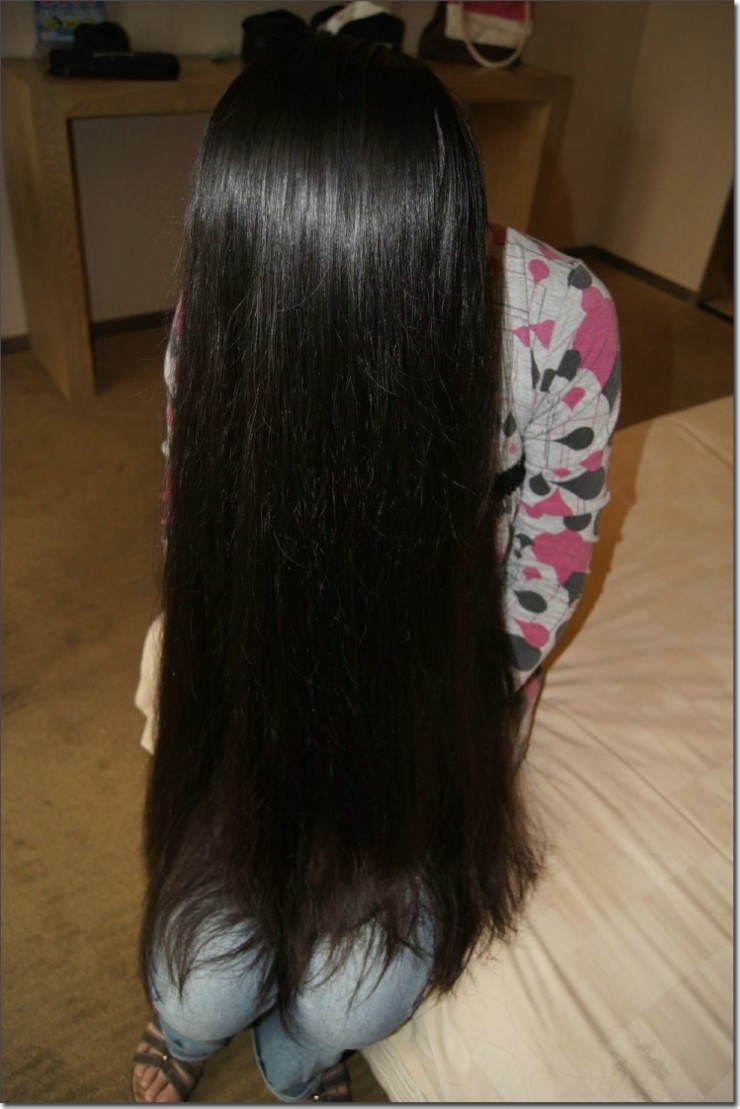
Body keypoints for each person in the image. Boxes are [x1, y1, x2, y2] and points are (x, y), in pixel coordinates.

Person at [132, 33, 620, 1104]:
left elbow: (548, 559)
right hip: (261, 670)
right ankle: (187, 1026)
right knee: (199, 976)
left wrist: (465, 701)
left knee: (349, 997)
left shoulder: (558, 322)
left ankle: (298, 1064)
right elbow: (191, 513)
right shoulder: (216, 309)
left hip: (431, 690)